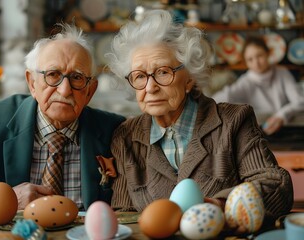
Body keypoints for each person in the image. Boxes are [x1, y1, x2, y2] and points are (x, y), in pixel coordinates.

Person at [106, 9, 293, 224]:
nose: (150, 87)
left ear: (189, 80)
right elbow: (123, 216)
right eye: (139, 76)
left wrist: (223, 207)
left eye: (163, 72)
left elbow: (276, 186)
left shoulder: (234, 120)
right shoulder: (125, 138)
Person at [0, 23, 125, 211]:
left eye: (77, 78)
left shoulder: (116, 131)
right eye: (53, 75)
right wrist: (4, 199)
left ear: (90, 91)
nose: (64, 90)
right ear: (32, 83)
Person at [212, 35, 304, 135]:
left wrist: (282, 115)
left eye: (259, 56)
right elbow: (224, 96)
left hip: (287, 128)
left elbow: (300, 101)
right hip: (258, 131)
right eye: (250, 59)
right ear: (246, 62)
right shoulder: (246, 81)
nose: (256, 63)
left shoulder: (282, 73)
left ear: (268, 53)